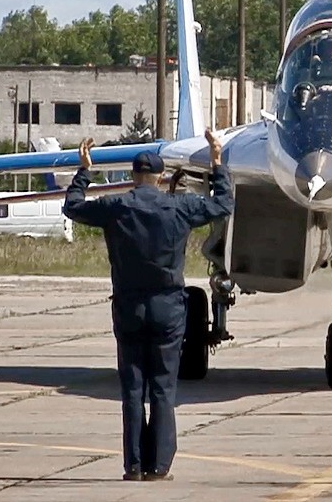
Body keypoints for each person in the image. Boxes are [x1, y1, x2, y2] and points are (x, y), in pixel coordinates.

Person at [62, 130, 233, 481]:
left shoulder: (116, 207)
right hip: (168, 307)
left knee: (132, 388)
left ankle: (135, 465)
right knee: (162, 389)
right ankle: (160, 466)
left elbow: (73, 207)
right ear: (160, 177)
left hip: (128, 305)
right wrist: (217, 165)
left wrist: (84, 171)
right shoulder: (179, 207)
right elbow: (222, 205)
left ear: (133, 176)